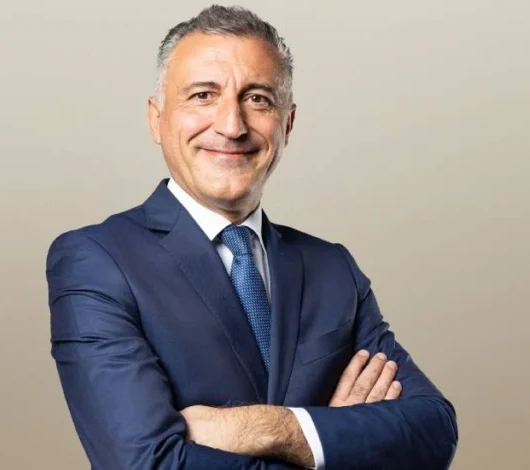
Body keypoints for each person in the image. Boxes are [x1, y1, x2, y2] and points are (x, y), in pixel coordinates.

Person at [45, 5, 458, 469]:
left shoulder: (333, 269)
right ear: (156, 119)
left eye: (258, 99)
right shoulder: (97, 260)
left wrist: (272, 428)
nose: (232, 126)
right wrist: (336, 441)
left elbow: (434, 431)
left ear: (288, 124)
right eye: (203, 95)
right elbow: (148, 463)